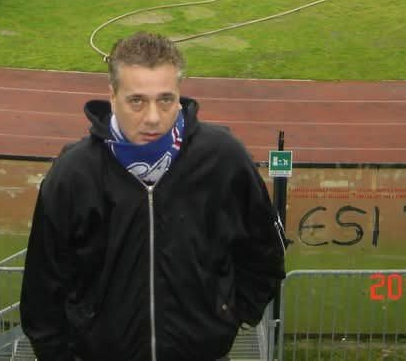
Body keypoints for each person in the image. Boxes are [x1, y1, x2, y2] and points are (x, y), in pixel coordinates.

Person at [20, 31, 286, 361]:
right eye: (137, 101)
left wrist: (229, 315)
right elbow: (42, 289)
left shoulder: (223, 158)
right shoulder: (74, 174)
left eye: (165, 99)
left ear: (179, 96)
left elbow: (264, 251)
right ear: (112, 96)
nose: (152, 118)